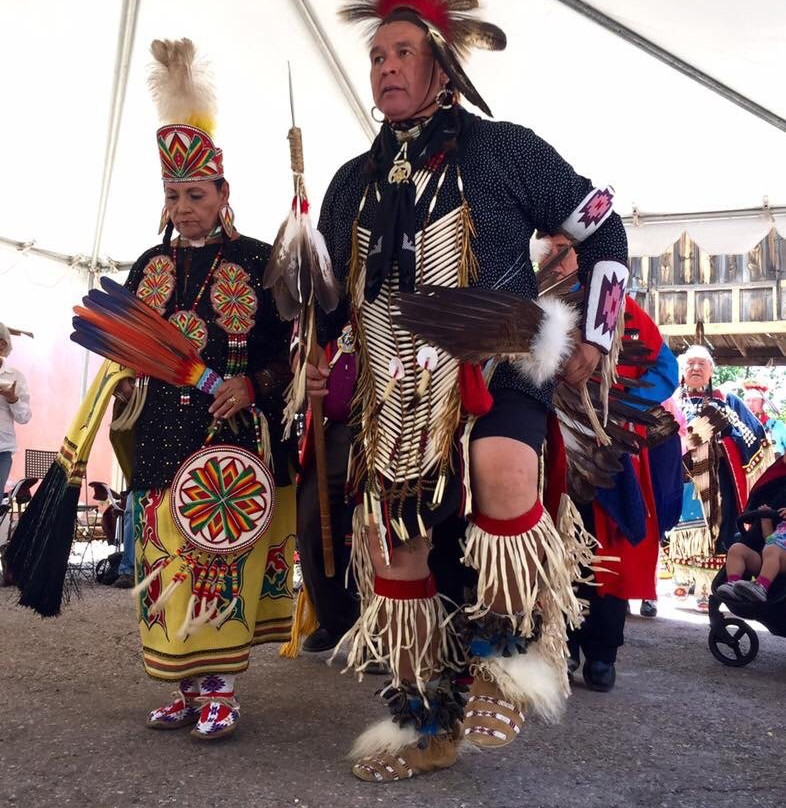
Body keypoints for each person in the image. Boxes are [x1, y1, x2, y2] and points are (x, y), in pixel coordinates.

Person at [310, 1, 630, 781]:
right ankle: (425, 725)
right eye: (377, 56)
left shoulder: (504, 151)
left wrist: (596, 332)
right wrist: (316, 362)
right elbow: (324, 303)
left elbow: (604, 226)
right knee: (400, 545)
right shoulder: (352, 182)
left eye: (401, 53)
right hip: (395, 391)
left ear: (443, 66)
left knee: (500, 467)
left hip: (498, 367)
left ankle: (507, 653)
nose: (385, 67)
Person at [106, 38, 296, 740]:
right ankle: (185, 688)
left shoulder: (257, 261)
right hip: (156, 440)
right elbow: (126, 350)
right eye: (174, 196)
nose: (184, 207)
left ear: (223, 195)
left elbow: (287, 355)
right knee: (163, 564)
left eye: (196, 194)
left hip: (226, 443)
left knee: (217, 562)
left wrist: (253, 383)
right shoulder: (147, 266)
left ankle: (221, 691)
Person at [536, 234, 679, 691]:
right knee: (556, 544)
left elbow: (664, 371)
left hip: (608, 447)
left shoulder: (619, 310)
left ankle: (604, 653)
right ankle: (566, 647)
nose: (556, 262)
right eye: (548, 251)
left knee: (609, 550)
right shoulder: (533, 307)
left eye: (564, 249)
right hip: (552, 451)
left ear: (582, 255)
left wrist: (615, 405)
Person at [668, 346, 766, 610]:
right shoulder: (671, 401)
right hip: (681, 478)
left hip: (717, 482)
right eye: (690, 364)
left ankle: (706, 588)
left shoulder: (726, 400)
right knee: (677, 527)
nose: (696, 368)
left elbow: (753, 436)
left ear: (711, 370)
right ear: (683, 371)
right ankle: (683, 578)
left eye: (702, 364)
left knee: (717, 533)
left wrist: (723, 446)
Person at [717, 505, 786, 602]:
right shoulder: (782, 525)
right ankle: (733, 584)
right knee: (736, 549)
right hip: (768, 560)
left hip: (781, 561)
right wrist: (765, 518)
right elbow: (769, 539)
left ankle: (761, 586)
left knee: (772, 549)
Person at [0, 323, 32, 498]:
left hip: (1, 449)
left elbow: (25, 417)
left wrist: (12, 399)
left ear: (2, 344)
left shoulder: (15, 377)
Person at [742, 381, 786, 459]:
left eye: (754, 400)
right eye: (748, 400)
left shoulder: (778, 426)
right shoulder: (742, 429)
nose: (750, 404)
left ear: (763, 402)